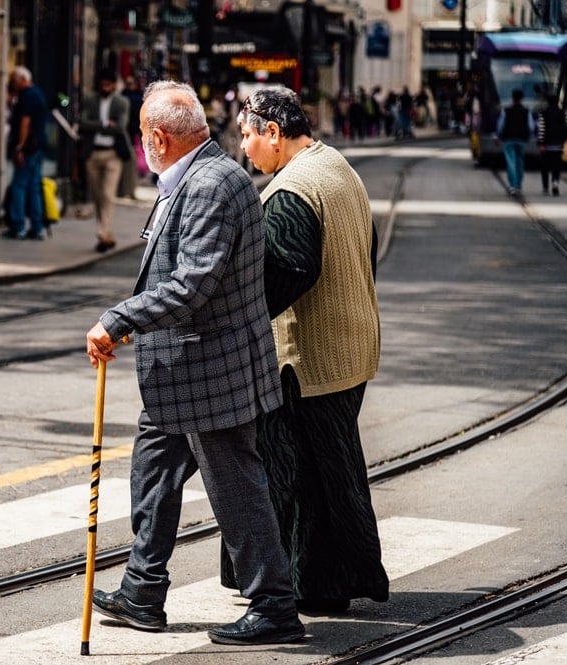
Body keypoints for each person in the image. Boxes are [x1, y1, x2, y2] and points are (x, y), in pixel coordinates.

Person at [85, 80, 303, 646]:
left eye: (142, 135)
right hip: (184, 374)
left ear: (158, 137)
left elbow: (193, 284)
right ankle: (142, 588)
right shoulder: (201, 173)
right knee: (153, 467)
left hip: (211, 372)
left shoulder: (209, 185)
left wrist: (121, 318)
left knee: (235, 486)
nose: (140, 144)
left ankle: (275, 604)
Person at [228, 86, 389, 614]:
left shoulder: (291, 191)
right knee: (327, 473)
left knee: (286, 474)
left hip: (305, 358)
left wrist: (241, 323)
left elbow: (290, 270)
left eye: (247, 135)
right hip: (350, 344)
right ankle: (322, 582)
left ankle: (281, 586)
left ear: (273, 133)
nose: (244, 148)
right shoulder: (336, 166)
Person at [78, 68, 131, 253]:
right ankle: (107, 235)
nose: (105, 88)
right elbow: (82, 123)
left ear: (114, 85)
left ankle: (103, 231)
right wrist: (103, 124)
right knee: (98, 196)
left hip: (112, 155)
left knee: (108, 195)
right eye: (102, 85)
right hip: (93, 154)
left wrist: (97, 127)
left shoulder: (121, 102)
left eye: (108, 85)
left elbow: (120, 128)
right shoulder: (90, 100)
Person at [3, 66, 48, 240]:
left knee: (19, 186)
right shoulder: (35, 93)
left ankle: (18, 224)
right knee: (33, 187)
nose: (13, 84)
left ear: (22, 79)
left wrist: (20, 147)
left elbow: (25, 123)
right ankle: (36, 227)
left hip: (29, 148)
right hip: (37, 147)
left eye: (14, 80)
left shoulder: (28, 96)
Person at [495, 88, 534, 197]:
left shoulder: (506, 110)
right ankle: (518, 185)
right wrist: (529, 136)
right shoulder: (527, 110)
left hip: (508, 138)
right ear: (522, 98)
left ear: (512, 97)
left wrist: (498, 136)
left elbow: (501, 125)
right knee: (520, 162)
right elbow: (530, 126)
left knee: (510, 161)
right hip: (521, 139)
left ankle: (512, 186)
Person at [536, 94, 567, 196]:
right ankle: (555, 182)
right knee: (556, 165)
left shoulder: (543, 113)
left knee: (545, 166)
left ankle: (545, 187)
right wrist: (564, 141)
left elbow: (541, 129)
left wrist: (541, 143)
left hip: (546, 145)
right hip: (559, 144)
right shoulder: (563, 113)